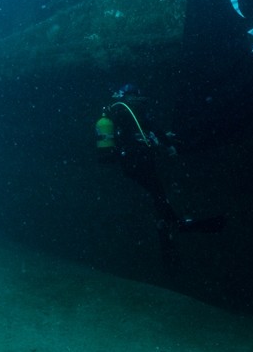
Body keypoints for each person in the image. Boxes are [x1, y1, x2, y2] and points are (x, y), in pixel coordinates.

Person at [96, 91, 224, 275]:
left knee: (157, 195)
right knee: (158, 194)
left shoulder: (117, 115)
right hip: (139, 163)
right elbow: (152, 128)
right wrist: (168, 145)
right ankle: (174, 224)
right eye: (140, 100)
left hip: (130, 165)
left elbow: (133, 137)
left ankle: (167, 227)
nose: (143, 104)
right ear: (133, 99)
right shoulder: (132, 112)